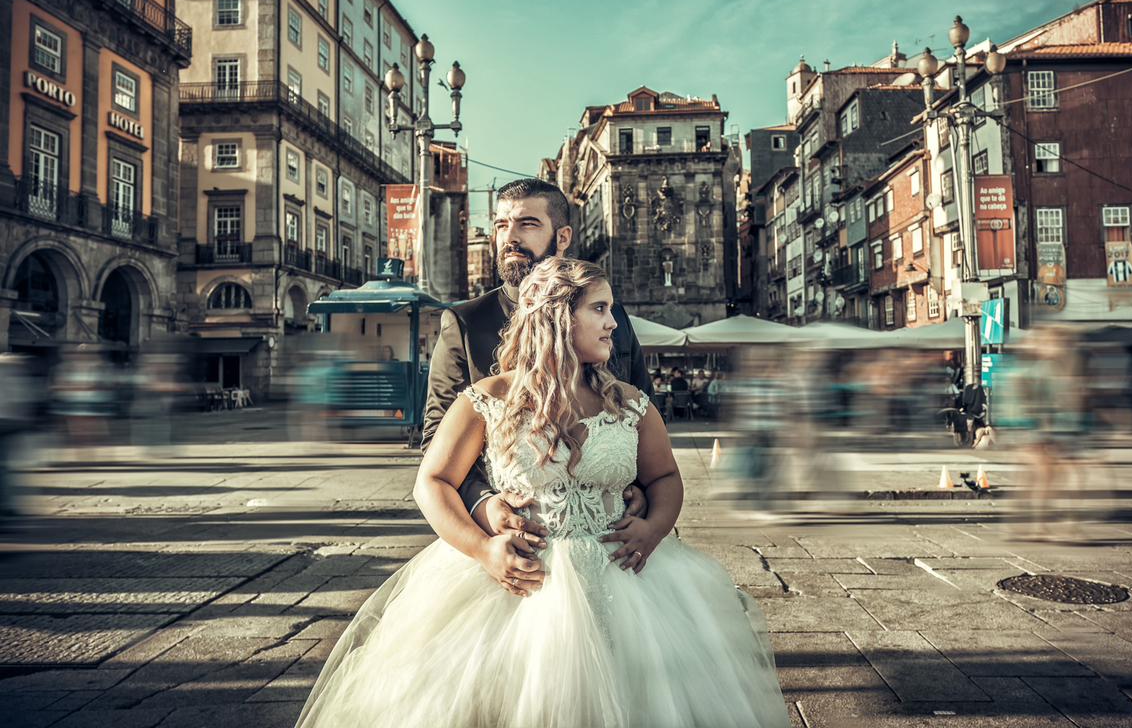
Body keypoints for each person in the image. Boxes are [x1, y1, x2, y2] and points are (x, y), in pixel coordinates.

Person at [295, 258, 790, 728]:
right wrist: (483, 548)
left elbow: (665, 479)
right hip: (519, 583)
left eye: (610, 309)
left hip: (629, 579)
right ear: (555, 316)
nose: (613, 322)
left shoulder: (631, 403)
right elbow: (433, 482)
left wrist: (655, 527)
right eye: (599, 308)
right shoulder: (487, 399)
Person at [423, 178, 653, 596]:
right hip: (514, 552)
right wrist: (483, 505)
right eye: (500, 225)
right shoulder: (464, 322)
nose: (509, 236)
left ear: (562, 236)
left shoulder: (609, 320)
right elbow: (435, 439)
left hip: (613, 555)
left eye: (527, 223)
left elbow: (641, 420)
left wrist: (637, 488)